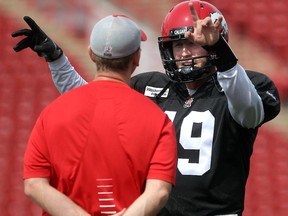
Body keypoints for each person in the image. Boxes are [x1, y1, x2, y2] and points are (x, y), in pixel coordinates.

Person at [12, 1, 281, 215]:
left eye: (193, 42)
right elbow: (92, 101)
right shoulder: (151, 85)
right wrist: (57, 59)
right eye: (178, 45)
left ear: (214, 43)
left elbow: (248, 112)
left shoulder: (243, 85)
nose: (185, 53)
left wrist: (221, 53)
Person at [13, 14, 178, 216]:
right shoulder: (158, 119)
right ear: (137, 58)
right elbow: (159, 193)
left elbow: (34, 185)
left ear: (91, 54)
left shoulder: (50, 114)